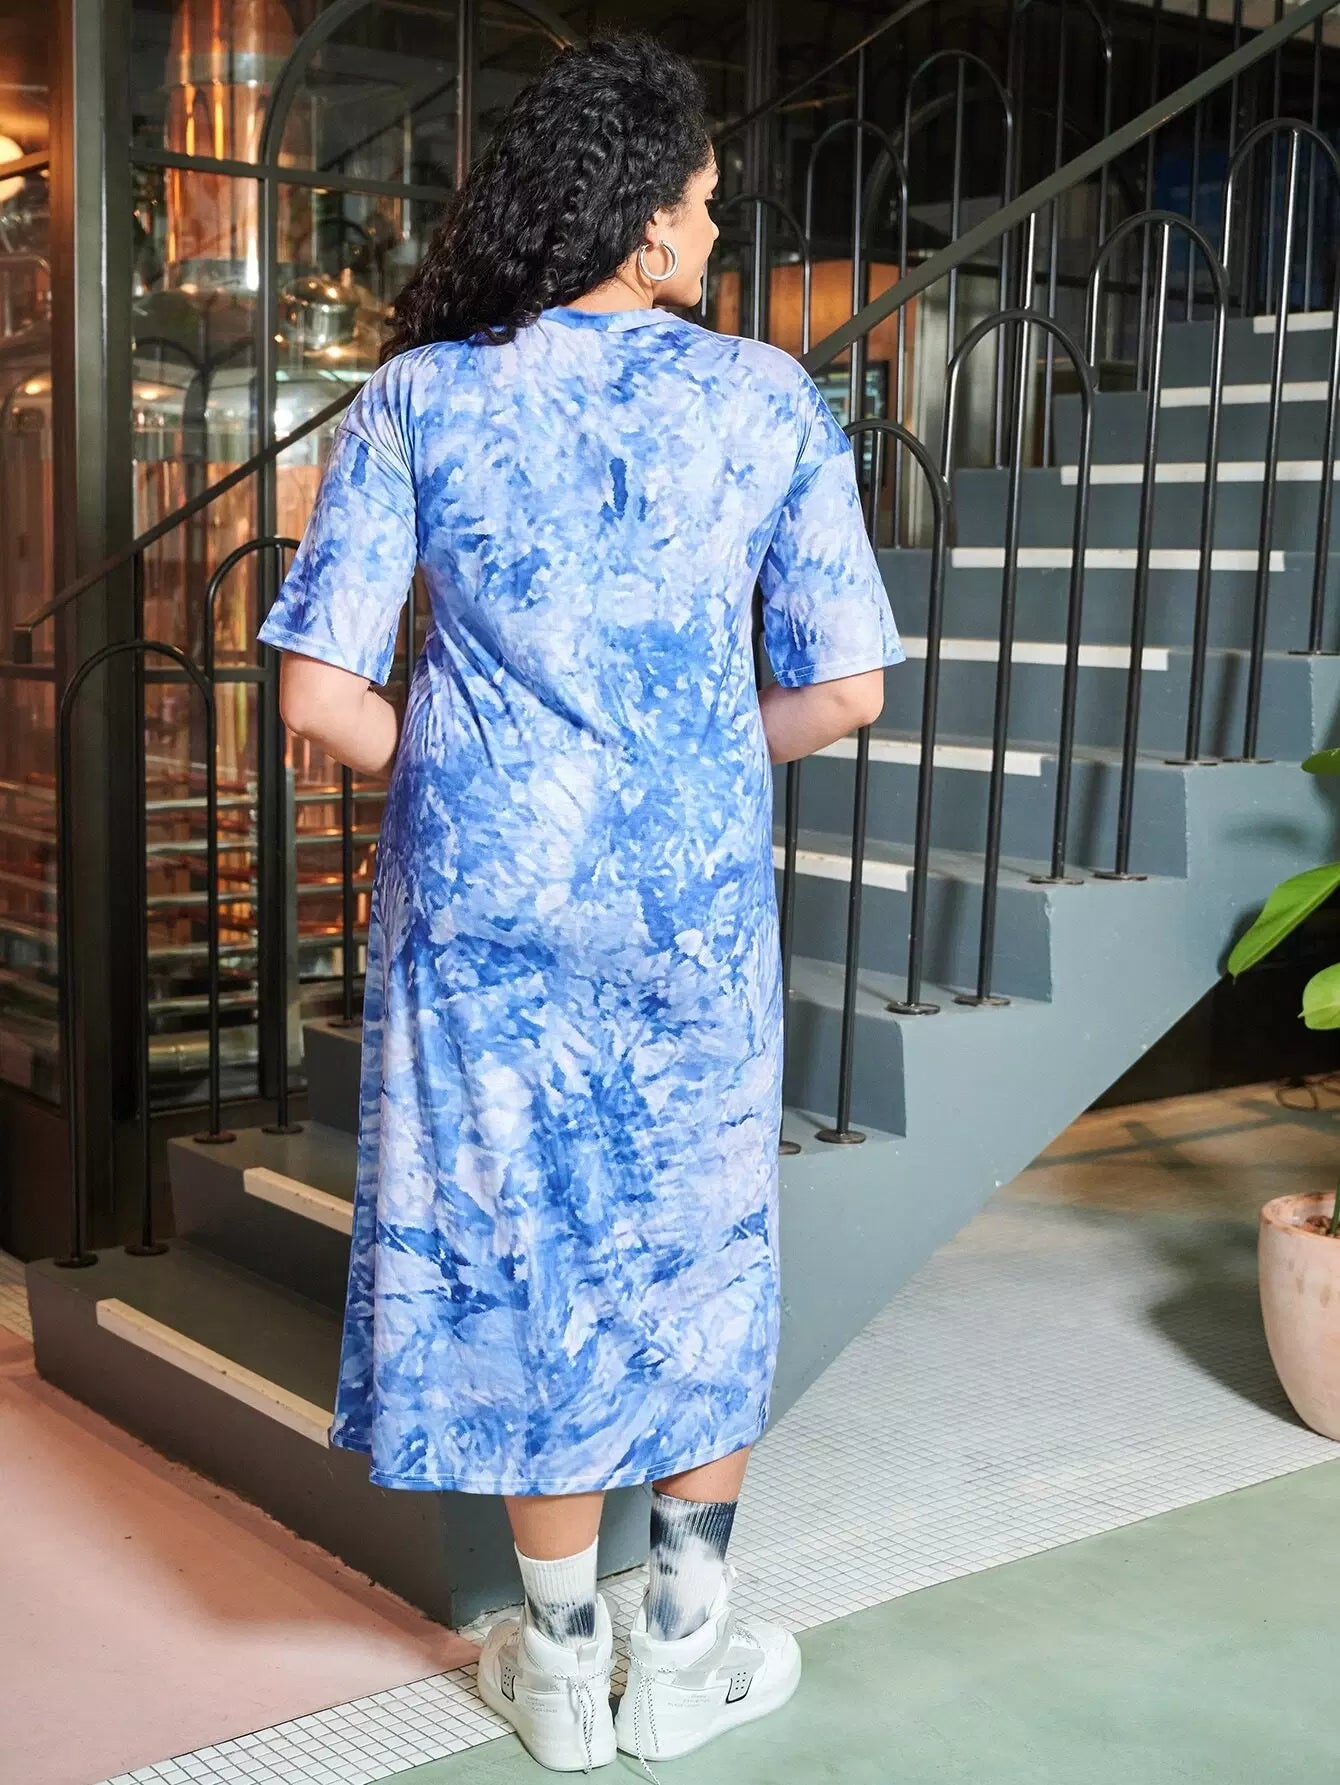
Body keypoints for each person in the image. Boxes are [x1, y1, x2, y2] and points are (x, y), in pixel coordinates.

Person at [256, 29, 904, 1776]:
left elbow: (318, 694)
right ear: (646, 223)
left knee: (523, 1251)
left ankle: (552, 1665)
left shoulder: (420, 397)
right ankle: (681, 1654)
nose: (717, 228)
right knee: (697, 1245)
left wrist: (478, 774)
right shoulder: (763, 398)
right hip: (687, 901)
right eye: (707, 200)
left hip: (482, 903)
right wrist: (690, 753)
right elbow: (846, 688)